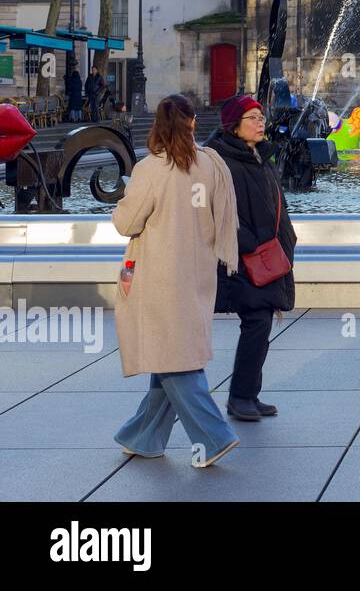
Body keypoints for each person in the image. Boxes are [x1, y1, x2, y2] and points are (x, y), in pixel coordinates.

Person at [111, 94, 241, 467]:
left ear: (158, 126)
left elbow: (126, 223)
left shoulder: (151, 169)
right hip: (199, 274)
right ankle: (144, 435)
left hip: (159, 278)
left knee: (174, 358)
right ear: (193, 123)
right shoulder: (211, 165)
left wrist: (124, 197)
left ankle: (215, 437)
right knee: (171, 350)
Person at [206, 94, 296, 423]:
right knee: (256, 322)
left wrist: (286, 240)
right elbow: (213, 213)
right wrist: (248, 242)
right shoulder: (220, 162)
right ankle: (241, 397)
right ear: (234, 126)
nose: (261, 123)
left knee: (260, 323)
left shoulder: (258, 156)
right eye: (253, 118)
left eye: (261, 117)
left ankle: (248, 395)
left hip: (266, 255)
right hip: (242, 259)